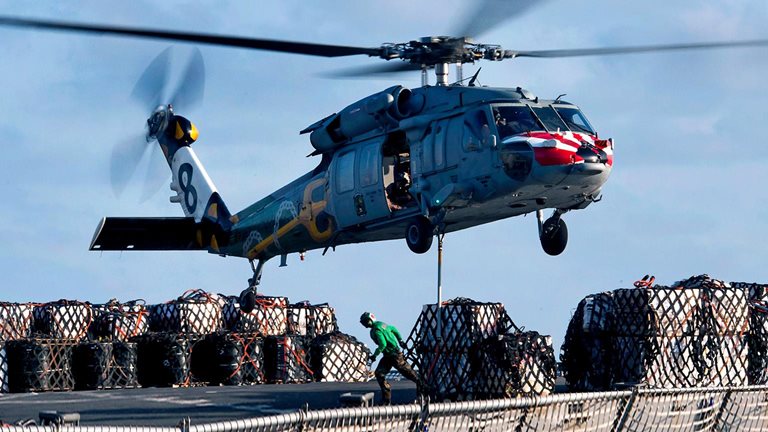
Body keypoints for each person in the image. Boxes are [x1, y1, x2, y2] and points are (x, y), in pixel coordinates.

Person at [360, 312, 421, 405]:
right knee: (379, 373)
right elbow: (393, 329)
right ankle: (386, 400)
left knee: (410, 374)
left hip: (394, 355)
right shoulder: (382, 324)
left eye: (365, 322)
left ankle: (424, 389)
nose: (364, 325)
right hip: (388, 355)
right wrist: (400, 340)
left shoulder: (376, 330)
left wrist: (374, 356)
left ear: (369, 321)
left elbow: (382, 344)